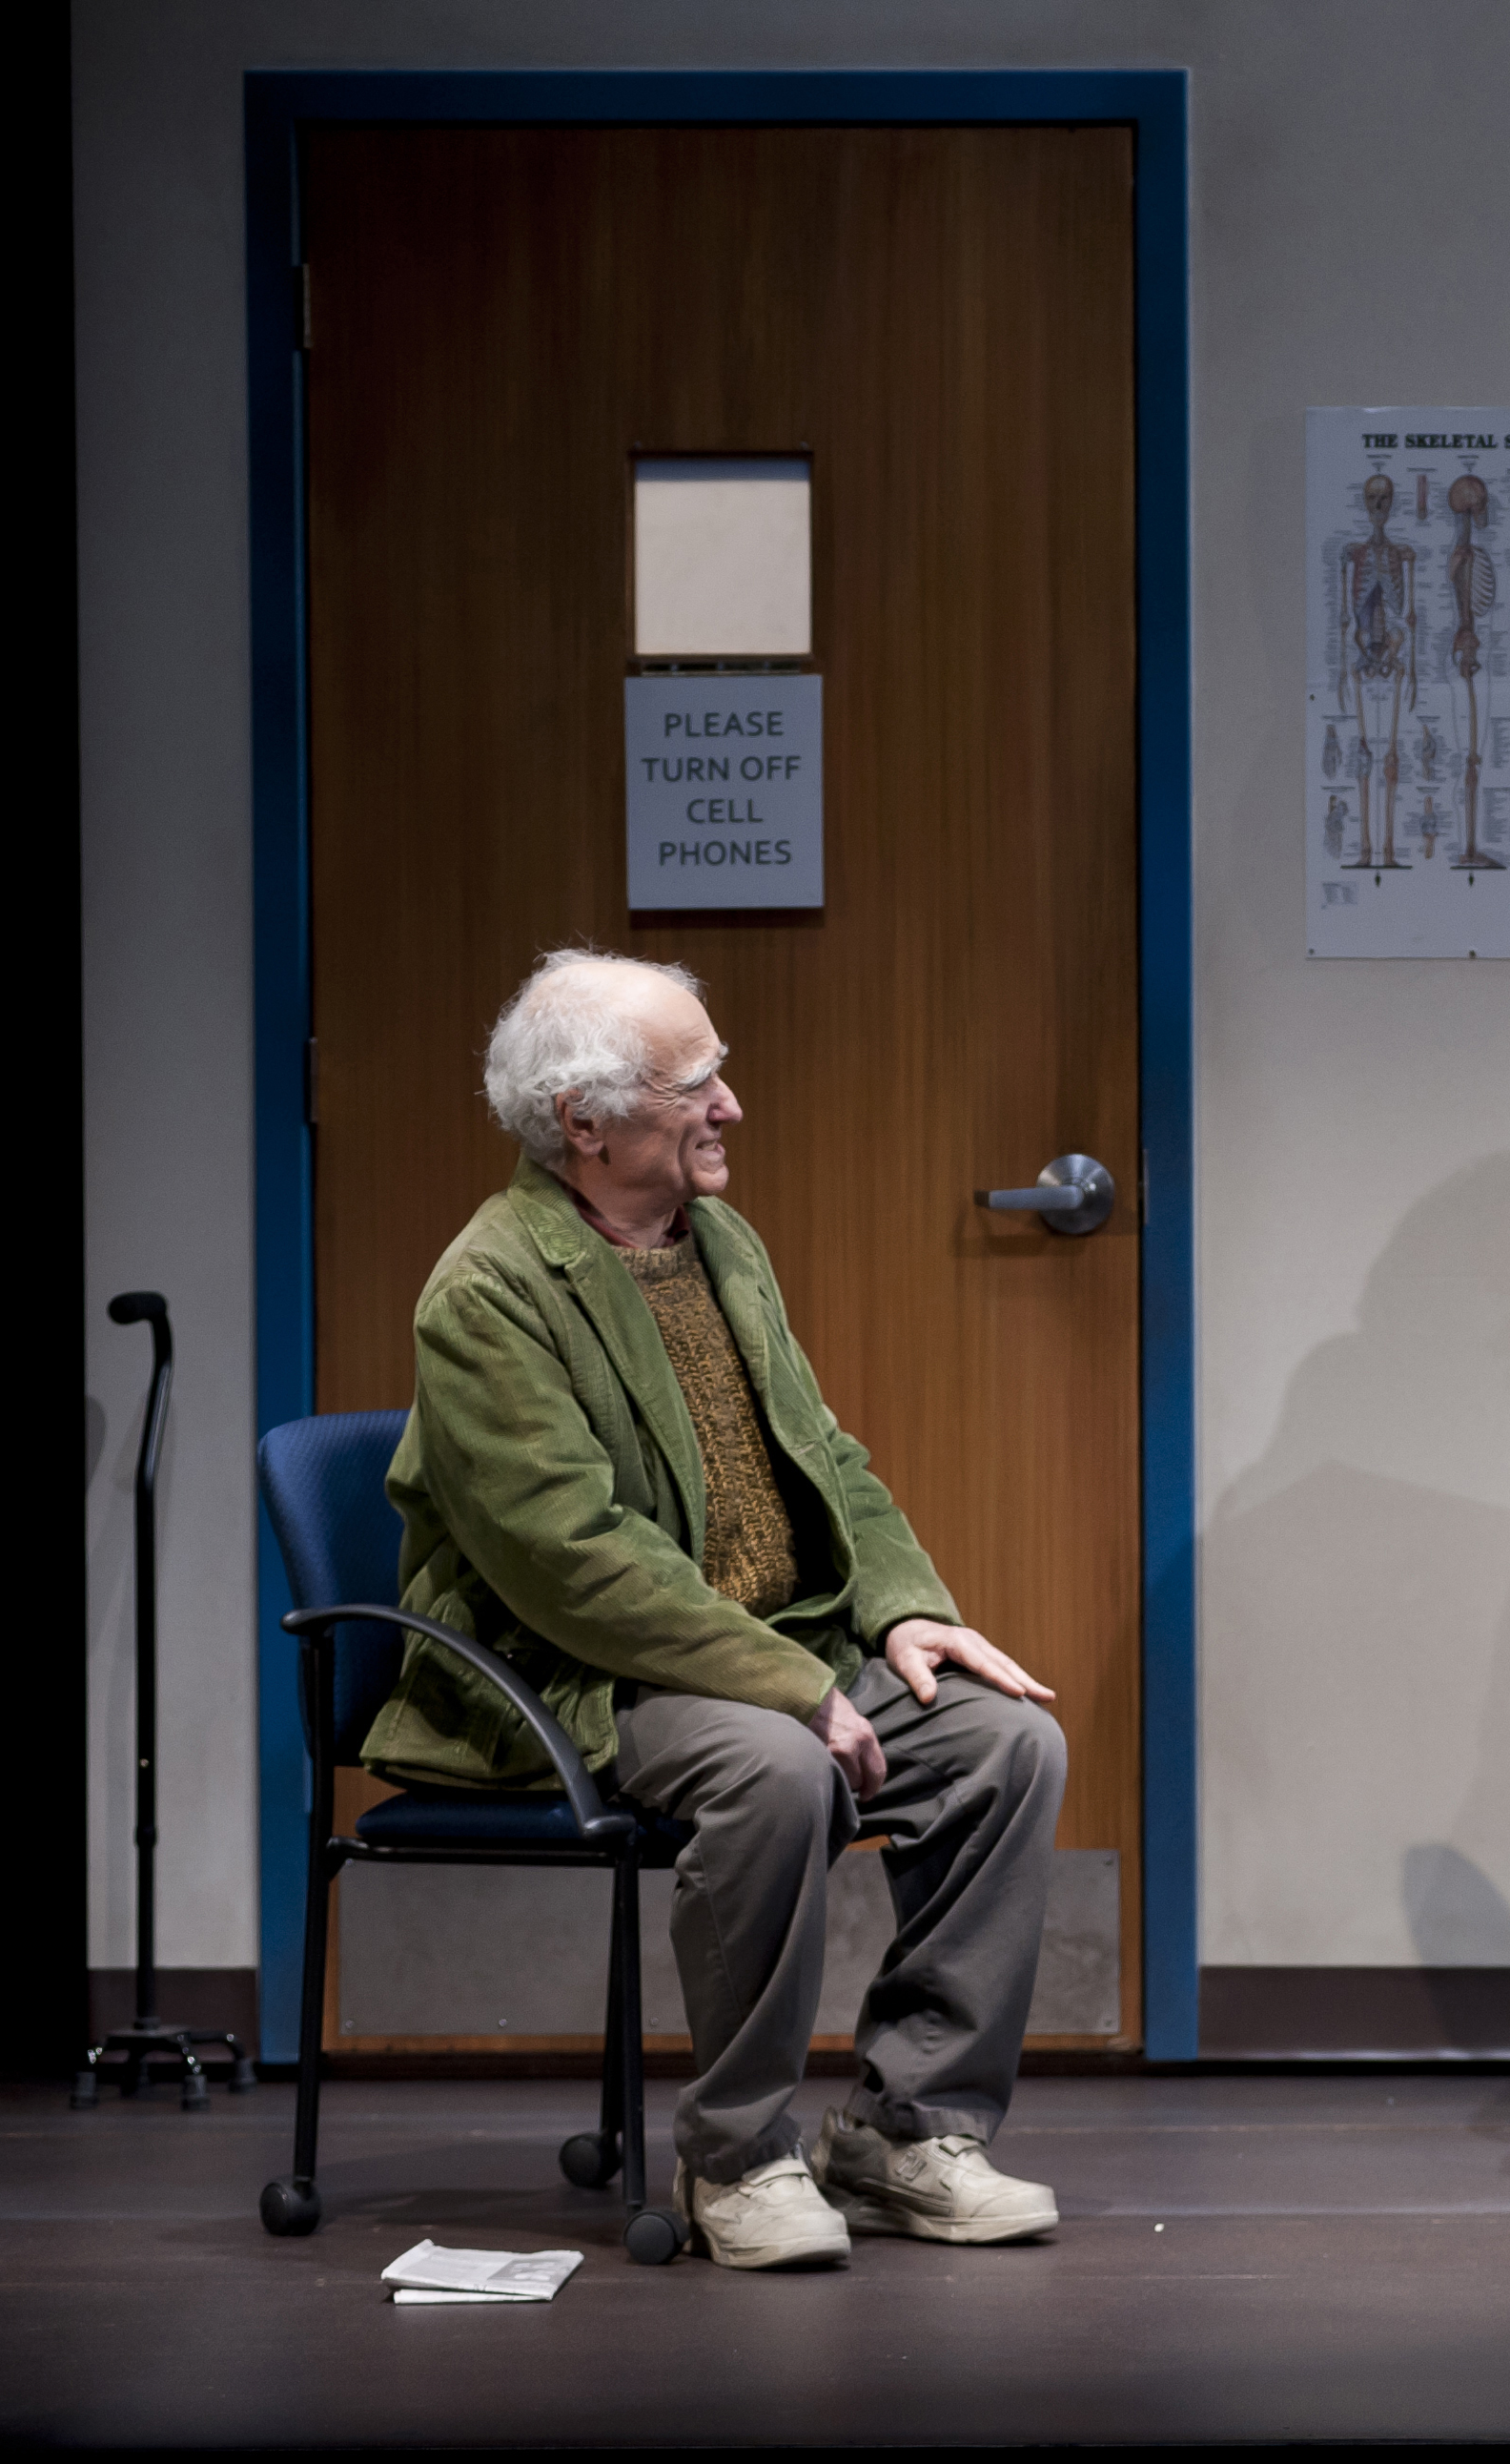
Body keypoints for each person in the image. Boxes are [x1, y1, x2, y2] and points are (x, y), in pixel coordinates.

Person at [363, 950, 1074, 2271]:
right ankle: (738, 2157)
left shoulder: (719, 1241)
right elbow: (574, 1563)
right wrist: (794, 1689)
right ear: (585, 1121)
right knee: (776, 1771)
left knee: (1007, 1745)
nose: (730, 1106)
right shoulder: (489, 1291)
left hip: (771, 1642)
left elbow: (827, 1455)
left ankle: (909, 2130)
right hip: (579, 1671)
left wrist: (903, 1612)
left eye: (719, 1074)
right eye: (694, 1083)